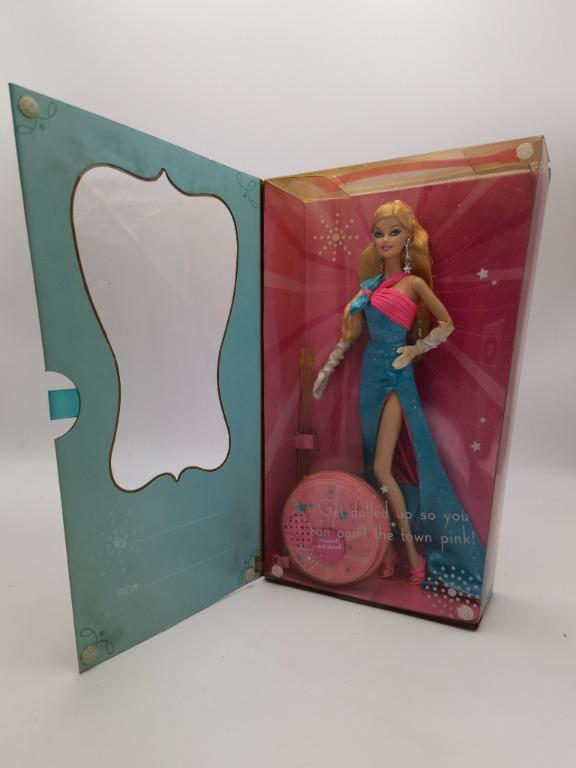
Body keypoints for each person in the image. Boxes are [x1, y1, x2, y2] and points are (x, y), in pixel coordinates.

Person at [313, 200, 485, 597]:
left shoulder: (414, 284)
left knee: (381, 468)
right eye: (379, 233)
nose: (385, 239)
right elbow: (349, 336)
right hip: (369, 377)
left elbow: (447, 324)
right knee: (371, 468)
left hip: (395, 376)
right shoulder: (369, 288)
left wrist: (416, 349)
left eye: (394, 232)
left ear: (408, 237)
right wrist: (325, 372)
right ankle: (386, 550)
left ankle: (412, 554)